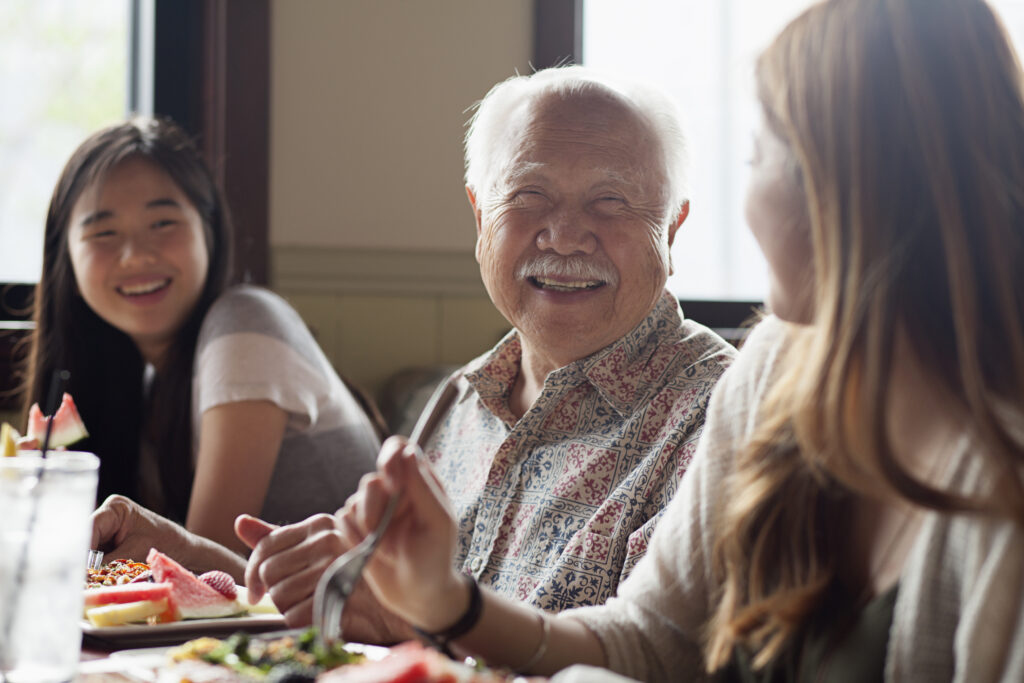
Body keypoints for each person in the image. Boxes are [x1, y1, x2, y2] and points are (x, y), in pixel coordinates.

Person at [331, 0, 1024, 679]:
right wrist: (445, 603)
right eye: (531, 197)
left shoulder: (1000, 478)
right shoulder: (775, 372)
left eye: (758, 157)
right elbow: (654, 637)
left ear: (852, 191)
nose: (566, 234)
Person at [94, 66, 737, 633]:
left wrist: (415, 627)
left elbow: (648, 658)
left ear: (673, 227)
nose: (566, 235)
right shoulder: (459, 401)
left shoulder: (719, 413)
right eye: (528, 195)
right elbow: (361, 609)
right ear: (480, 216)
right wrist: (187, 557)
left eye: (611, 201)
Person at [25, 116, 380, 558]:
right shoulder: (144, 384)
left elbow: (200, 576)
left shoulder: (246, 322)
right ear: (68, 263)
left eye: (162, 223)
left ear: (208, 231)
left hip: (337, 625)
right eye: (104, 233)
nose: (136, 256)